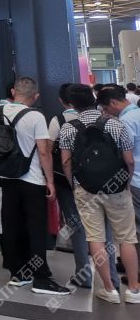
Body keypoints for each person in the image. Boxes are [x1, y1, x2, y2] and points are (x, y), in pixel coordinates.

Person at [0, 76, 68, 296]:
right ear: (36, 96)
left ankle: (18, 273)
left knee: (11, 224)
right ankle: (40, 277)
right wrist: (50, 181)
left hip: (6, 177)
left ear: (13, 91)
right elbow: (43, 151)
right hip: (31, 179)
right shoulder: (35, 116)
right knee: (36, 228)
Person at [60, 84, 139, 303]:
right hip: (117, 188)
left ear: (72, 104)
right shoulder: (115, 123)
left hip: (86, 189)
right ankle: (134, 289)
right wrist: (125, 182)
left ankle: (109, 289)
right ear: (94, 99)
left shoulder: (68, 128)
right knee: (127, 238)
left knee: (95, 238)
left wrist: (74, 184)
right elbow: (129, 160)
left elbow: (66, 162)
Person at [48, 83, 102, 288]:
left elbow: (51, 152)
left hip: (68, 182)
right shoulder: (106, 119)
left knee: (76, 226)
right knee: (102, 227)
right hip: (101, 181)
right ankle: (111, 281)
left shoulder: (59, 121)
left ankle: (83, 276)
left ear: (63, 101)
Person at [97, 87, 140, 275]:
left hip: (135, 180)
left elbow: (127, 158)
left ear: (113, 102)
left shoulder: (125, 122)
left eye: (106, 108)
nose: (107, 113)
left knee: (134, 230)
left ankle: (136, 273)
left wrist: (126, 183)